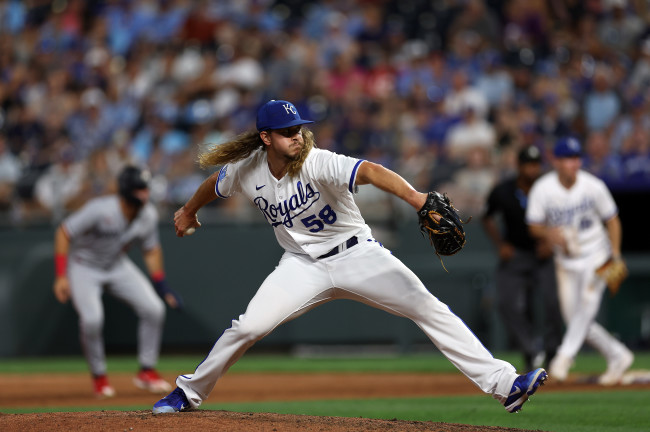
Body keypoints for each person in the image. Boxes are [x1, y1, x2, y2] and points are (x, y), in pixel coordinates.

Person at [152, 100, 547, 415]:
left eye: (299, 128)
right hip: (301, 267)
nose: (297, 135)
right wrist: (189, 211)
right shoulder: (248, 170)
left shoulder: (317, 159)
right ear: (266, 137)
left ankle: (505, 385)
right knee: (248, 327)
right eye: (288, 131)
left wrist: (417, 199)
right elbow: (213, 184)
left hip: (357, 255)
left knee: (428, 307)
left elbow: (371, 171)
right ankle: (187, 393)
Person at [53, 165, 183, 397]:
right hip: (84, 266)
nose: (144, 193)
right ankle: (99, 377)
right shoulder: (100, 209)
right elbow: (64, 232)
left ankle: (147, 370)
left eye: (145, 188)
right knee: (92, 320)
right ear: (127, 190)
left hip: (116, 265)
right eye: (139, 188)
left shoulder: (148, 215)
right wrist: (62, 275)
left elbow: (151, 250)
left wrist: (162, 286)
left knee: (154, 309)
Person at [526, 137, 635, 386]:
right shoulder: (543, 188)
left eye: (576, 158)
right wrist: (547, 233)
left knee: (587, 304)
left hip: (597, 254)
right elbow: (533, 225)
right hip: (565, 261)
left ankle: (564, 357)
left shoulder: (593, 186)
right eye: (567, 159)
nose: (573, 163)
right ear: (556, 161)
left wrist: (615, 254)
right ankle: (618, 355)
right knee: (577, 319)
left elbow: (613, 219)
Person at [482, 146, 563, 372]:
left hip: (542, 254)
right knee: (507, 303)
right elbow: (486, 217)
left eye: (536, 164)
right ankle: (530, 349)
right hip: (516, 253)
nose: (533, 169)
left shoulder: (548, 189)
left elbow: (562, 214)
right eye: (528, 164)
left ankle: (552, 353)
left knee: (553, 303)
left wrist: (549, 242)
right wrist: (500, 244)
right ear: (519, 166)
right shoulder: (504, 191)